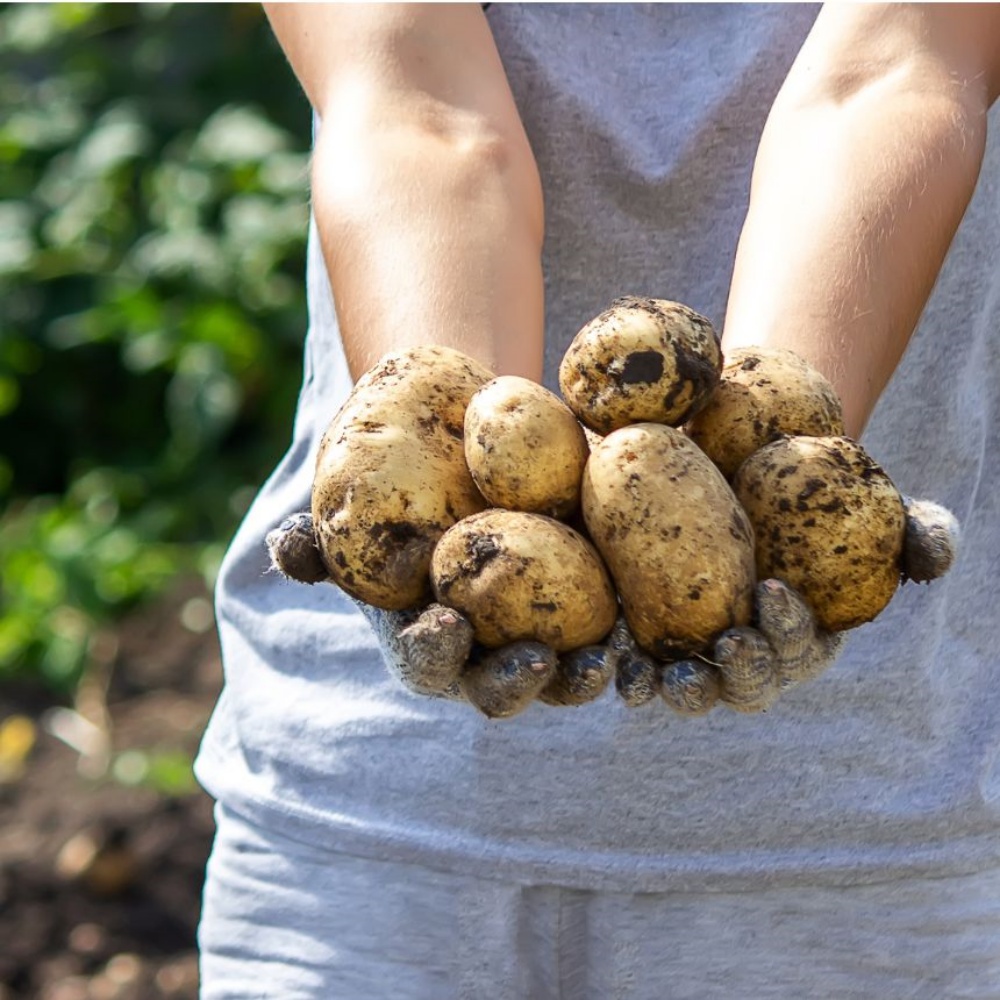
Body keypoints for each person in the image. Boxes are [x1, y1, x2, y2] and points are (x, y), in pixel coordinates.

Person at [194, 4, 1000, 997]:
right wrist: (440, 525)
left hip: (870, 812)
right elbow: (421, 106)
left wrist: (789, 482)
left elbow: (891, 70)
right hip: (373, 819)